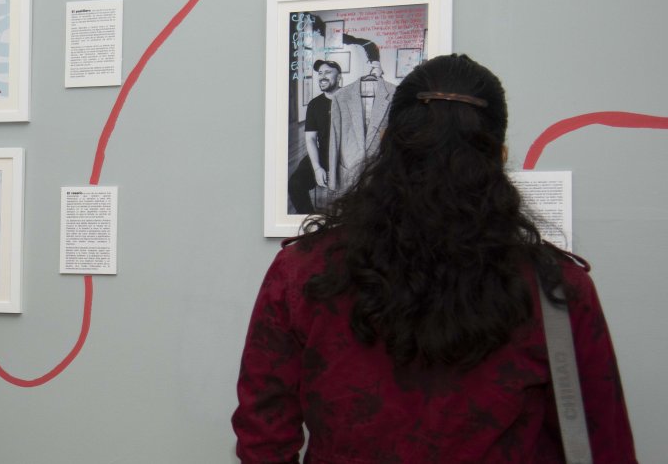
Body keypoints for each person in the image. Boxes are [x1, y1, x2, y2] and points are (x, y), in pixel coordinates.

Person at [233, 54, 636, 462]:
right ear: (499, 158)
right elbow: (604, 445)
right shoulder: (557, 289)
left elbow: (263, 437)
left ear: (387, 143)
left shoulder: (304, 272)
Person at [287, 59, 341, 214]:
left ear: (339, 77)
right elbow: (310, 139)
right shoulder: (314, 105)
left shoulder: (350, 100)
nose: (322, 76)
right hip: (323, 155)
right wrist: (317, 168)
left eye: (328, 72)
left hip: (347, 155)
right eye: (320, 73)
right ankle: (311, 222)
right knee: (295, 183)